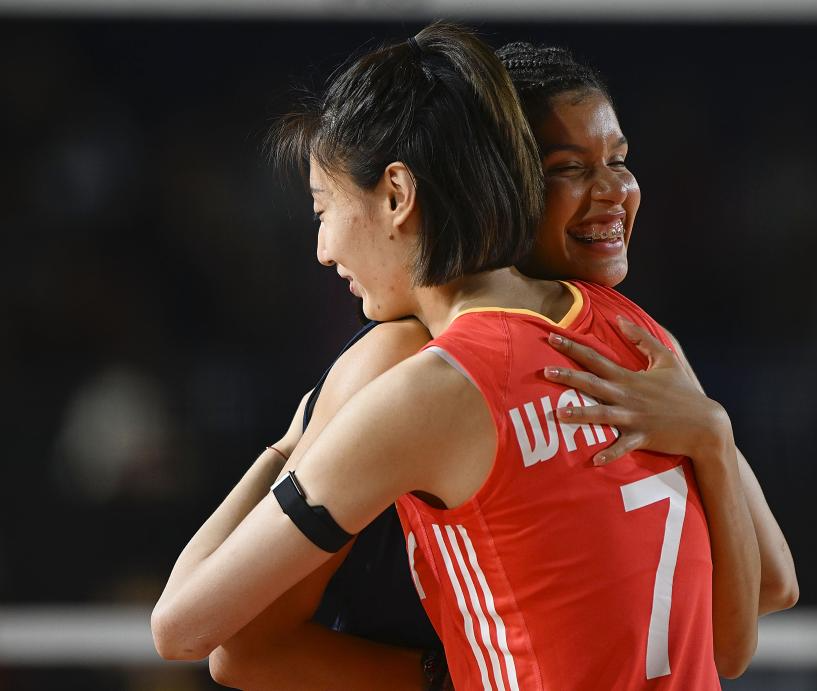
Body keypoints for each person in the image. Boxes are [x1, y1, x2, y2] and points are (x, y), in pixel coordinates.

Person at [151, 23, 763, 689]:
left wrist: (294, 440)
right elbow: (737, 638)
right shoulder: (632, 330)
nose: (324, 249)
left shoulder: (424, 389)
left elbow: (182, 627)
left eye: (323, 209)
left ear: (397, 194)